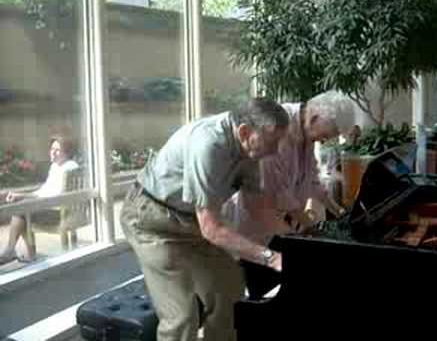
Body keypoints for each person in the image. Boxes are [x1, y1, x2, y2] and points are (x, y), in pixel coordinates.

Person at [120, 98, 290, 341]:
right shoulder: (208, 145)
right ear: (244, 132)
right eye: (272, 142)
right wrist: (271, 258)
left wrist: (300, 239)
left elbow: (258, 208)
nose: (275, 150)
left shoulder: (250, 150)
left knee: (230, 293)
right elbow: (211, 229)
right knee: (181, 316)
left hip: (192, 223)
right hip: (152, 221)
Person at [222, 90, 356, 244]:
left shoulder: (306, 130)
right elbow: (278, 193)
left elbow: (312, 179)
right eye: (325, 135)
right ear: (314, 119)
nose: (324, 141)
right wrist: (313, 230)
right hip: (254, 221)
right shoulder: (277, 127)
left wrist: (339, 212)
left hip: (279, 222)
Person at [0, 133, 78, 264]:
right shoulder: (56, 167)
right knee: (22, 209)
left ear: (67, 152)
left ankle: (13, 251)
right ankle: (18, 251)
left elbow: (55, 194)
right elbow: (45, 191)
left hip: (60, 212)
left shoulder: (69, 167)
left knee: (21, 212)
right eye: (52, 149)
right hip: (55, 208)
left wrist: (27, 200)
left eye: (58, 150)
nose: (53, 153)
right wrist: (22, 196)